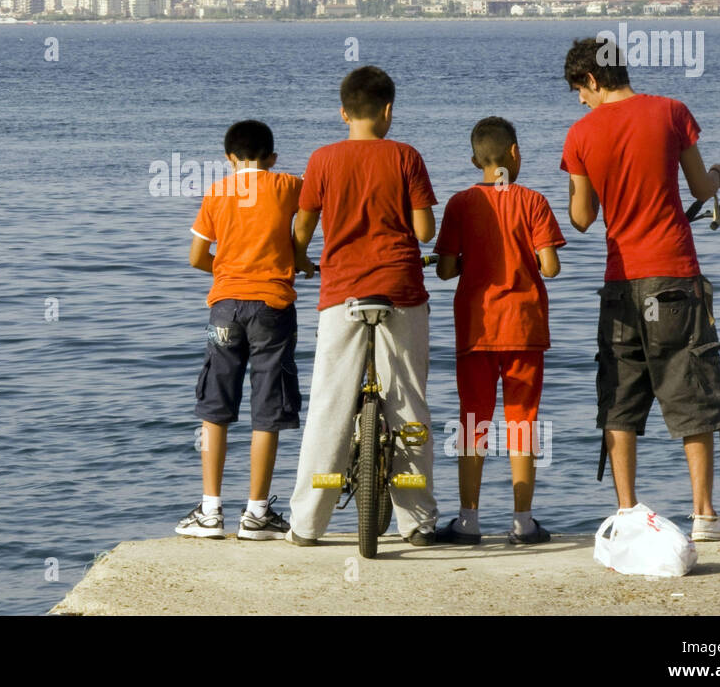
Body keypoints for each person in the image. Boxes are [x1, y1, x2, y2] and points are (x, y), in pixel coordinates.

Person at [560, 38, 720, 541]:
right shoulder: (671, 112)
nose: (579, 100)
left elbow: (580, 219)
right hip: (674, 276)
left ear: (593, 80)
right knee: (692, 389)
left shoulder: (579, 134)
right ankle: (703, 515)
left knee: (619, 397)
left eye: (579, 89)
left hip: (619, 282)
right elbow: (703, 192)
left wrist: (589, 178)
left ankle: (627, 513)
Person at [287, 65, 439, 546]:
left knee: (329, 406)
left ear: (343, 112)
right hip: (400, 290)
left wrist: (303, 262)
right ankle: (416, 521)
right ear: (388, 110)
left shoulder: (322, 160)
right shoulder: (406, 157)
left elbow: (301, 231)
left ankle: (307, 524)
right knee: (409, 405)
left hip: (341, 294)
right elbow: (424, 233)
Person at [176, 120, 314, 540]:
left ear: (229, 159)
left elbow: (197, 256)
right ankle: (256, 513)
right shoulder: (290, 185)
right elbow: (307, 219)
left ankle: (210, 510)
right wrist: (296, 261)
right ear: (272, 157)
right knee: (267, 409)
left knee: (215, 407)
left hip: (225, 308)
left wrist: (232, 268)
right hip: (273, 308)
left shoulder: (218, 192)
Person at [432, 116, 566, 545]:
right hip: (524, 328)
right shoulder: (534, 202)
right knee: (522, 422)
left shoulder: (459, 204)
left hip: (475, 328)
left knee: (473, 421)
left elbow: (447, 270)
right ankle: (523, 523)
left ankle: (468, 520)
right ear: (514, 153)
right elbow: (551, 266)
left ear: (475, 160)